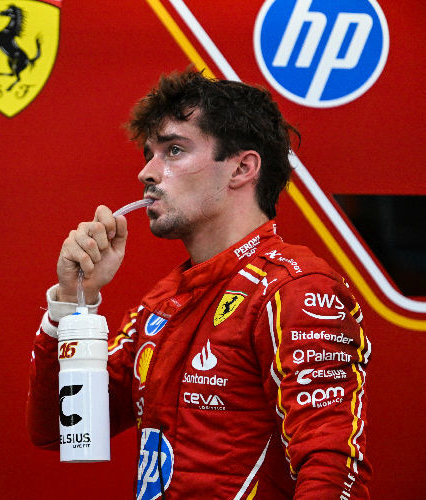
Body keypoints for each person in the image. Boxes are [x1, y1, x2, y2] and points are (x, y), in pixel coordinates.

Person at [26, 70, 371, 499]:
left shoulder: (293, 290)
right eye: (148, 155)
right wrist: (73, 301)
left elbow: (331, 465)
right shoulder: (163, 302)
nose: (148, 173)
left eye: (173, 150)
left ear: (242, 167)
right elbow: (61, 429)